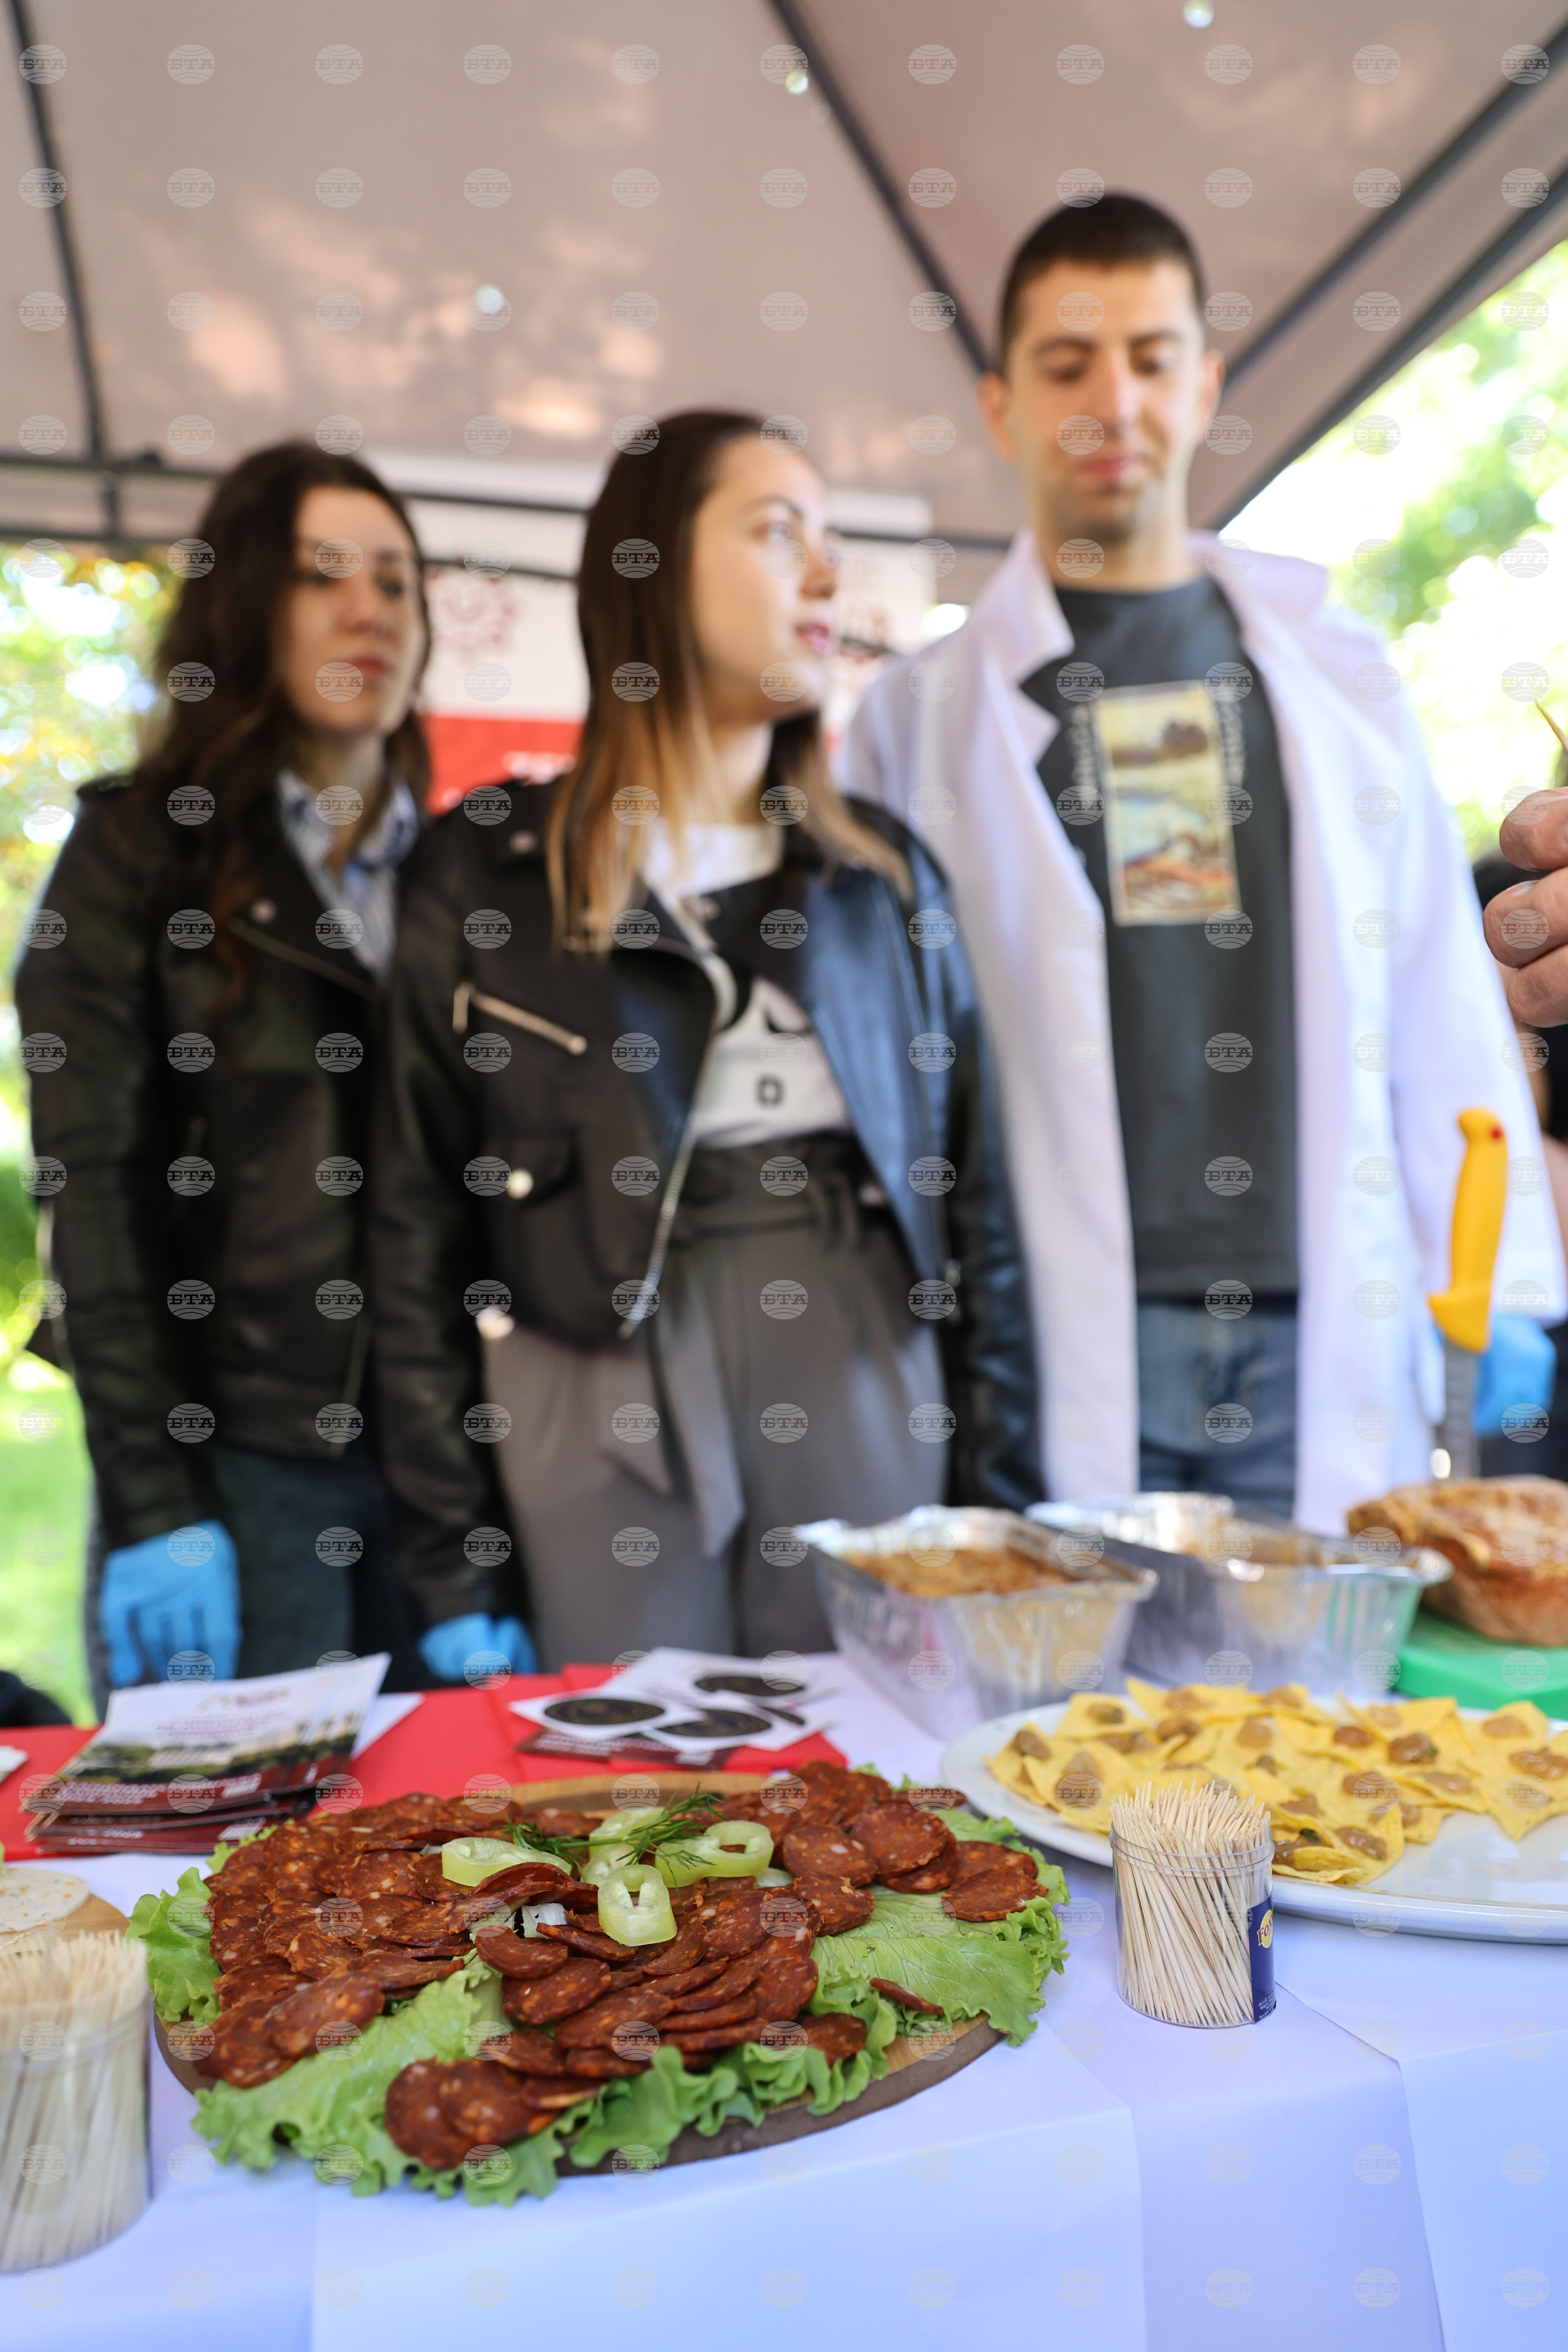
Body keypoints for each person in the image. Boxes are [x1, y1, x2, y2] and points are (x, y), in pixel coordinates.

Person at [840, 193, 1564, 1532]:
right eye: (1068, 365)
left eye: (1153, 356)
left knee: (1314, 1719)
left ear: (1207, 382)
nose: (1114, 400)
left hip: (1319, 1305)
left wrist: (1510, 1286)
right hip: (1048, 1324)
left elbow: (1434, 994)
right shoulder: (915, 715)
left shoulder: (1335, 672)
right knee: (1069, 1725)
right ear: (1002, 407)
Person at [370, 409, 1038, 1668]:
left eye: (833, 541)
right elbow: (412, 1231)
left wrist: (1006, 1518)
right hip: (589, 1362)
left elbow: (983, 1216)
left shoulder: (886, 879)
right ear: (652, 565)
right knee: (622, 1789)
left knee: (871, 1770)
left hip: (859, 1342)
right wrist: (453, 1568)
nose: (829, 577)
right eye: (782, 532)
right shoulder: (484, 870)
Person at [14, 442, 524, 1699]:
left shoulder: (468, 875)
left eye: (398, 583)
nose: (370, 611)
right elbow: (99, 1206)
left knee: (467, 1867)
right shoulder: (134, 855)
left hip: (449, 1472)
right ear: (246, 609)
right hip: (238, 1467)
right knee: (234, 1872)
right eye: (322, 576)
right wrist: (156, 1506)